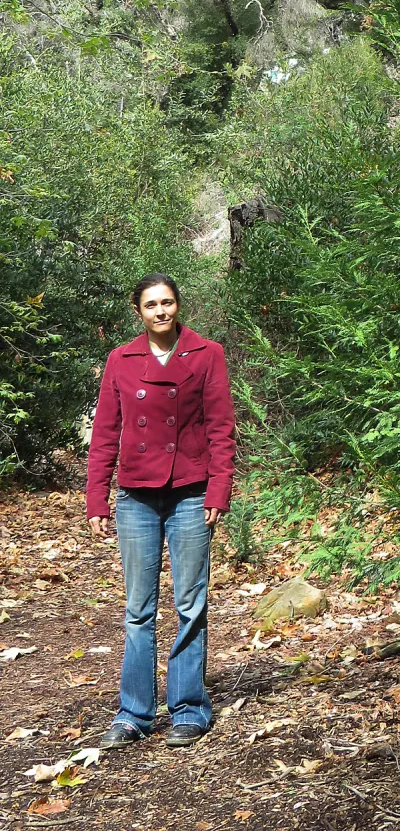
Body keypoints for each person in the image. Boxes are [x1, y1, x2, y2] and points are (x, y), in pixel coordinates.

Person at [85, 274, 236, 750]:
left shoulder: (206, 353)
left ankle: (189, 709)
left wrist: (218, 491)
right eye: (151, 305)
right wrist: (96, 496)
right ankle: (133, 714)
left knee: (190, 605)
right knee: (137, 610)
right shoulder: (121, 359)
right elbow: (105, 430)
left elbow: (221, 427)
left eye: (167, 302)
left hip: (190, 493)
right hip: (135, 496)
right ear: (139, 311)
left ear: (177, 305)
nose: (161, 311)